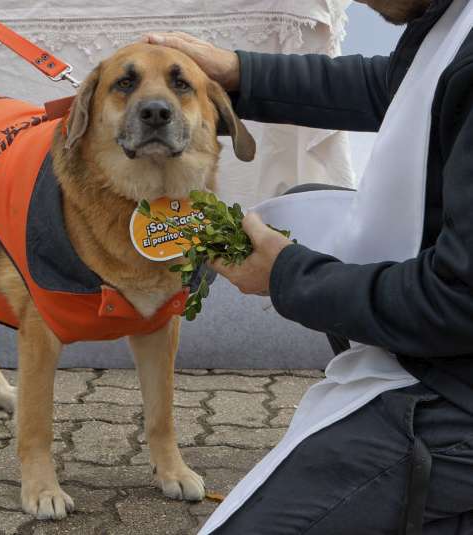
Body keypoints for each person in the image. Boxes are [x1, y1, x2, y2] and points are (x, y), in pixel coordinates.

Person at [146, 1, 473, 534]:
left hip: (456, 386)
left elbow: (460, 300)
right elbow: (396, 84)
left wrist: (286, 276)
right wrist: (240, 71)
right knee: (310, 201)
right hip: (445, 338)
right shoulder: (454, 21)